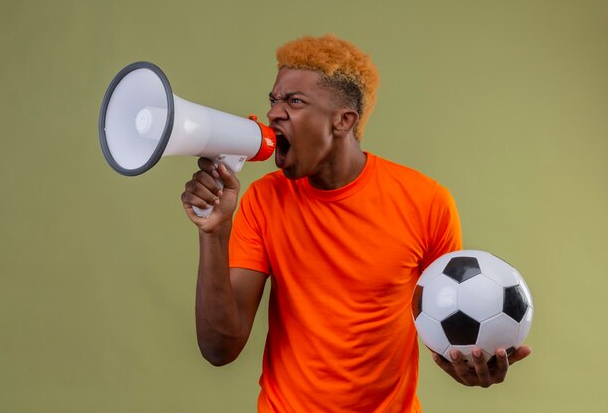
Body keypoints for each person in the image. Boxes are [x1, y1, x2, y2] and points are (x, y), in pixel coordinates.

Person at [181, 34, 531, 413]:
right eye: (274, 100)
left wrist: (469, 364)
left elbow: (451, 323)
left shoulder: (427, 201)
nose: (274, 114)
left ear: (343, 121)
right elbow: (220, 348)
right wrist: (213, 232)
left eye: (294, 101)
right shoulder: (263, 200)